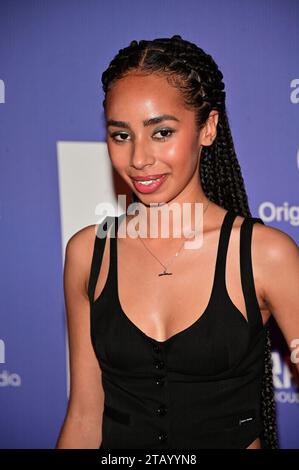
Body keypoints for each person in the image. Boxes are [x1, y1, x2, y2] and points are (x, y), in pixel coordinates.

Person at [56, 35, 299, 449]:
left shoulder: (264, 254)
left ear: (208, 128)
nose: (138, 158)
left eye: (161, 132)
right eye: (121, 135)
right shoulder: (87, 253)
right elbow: (84, 415)